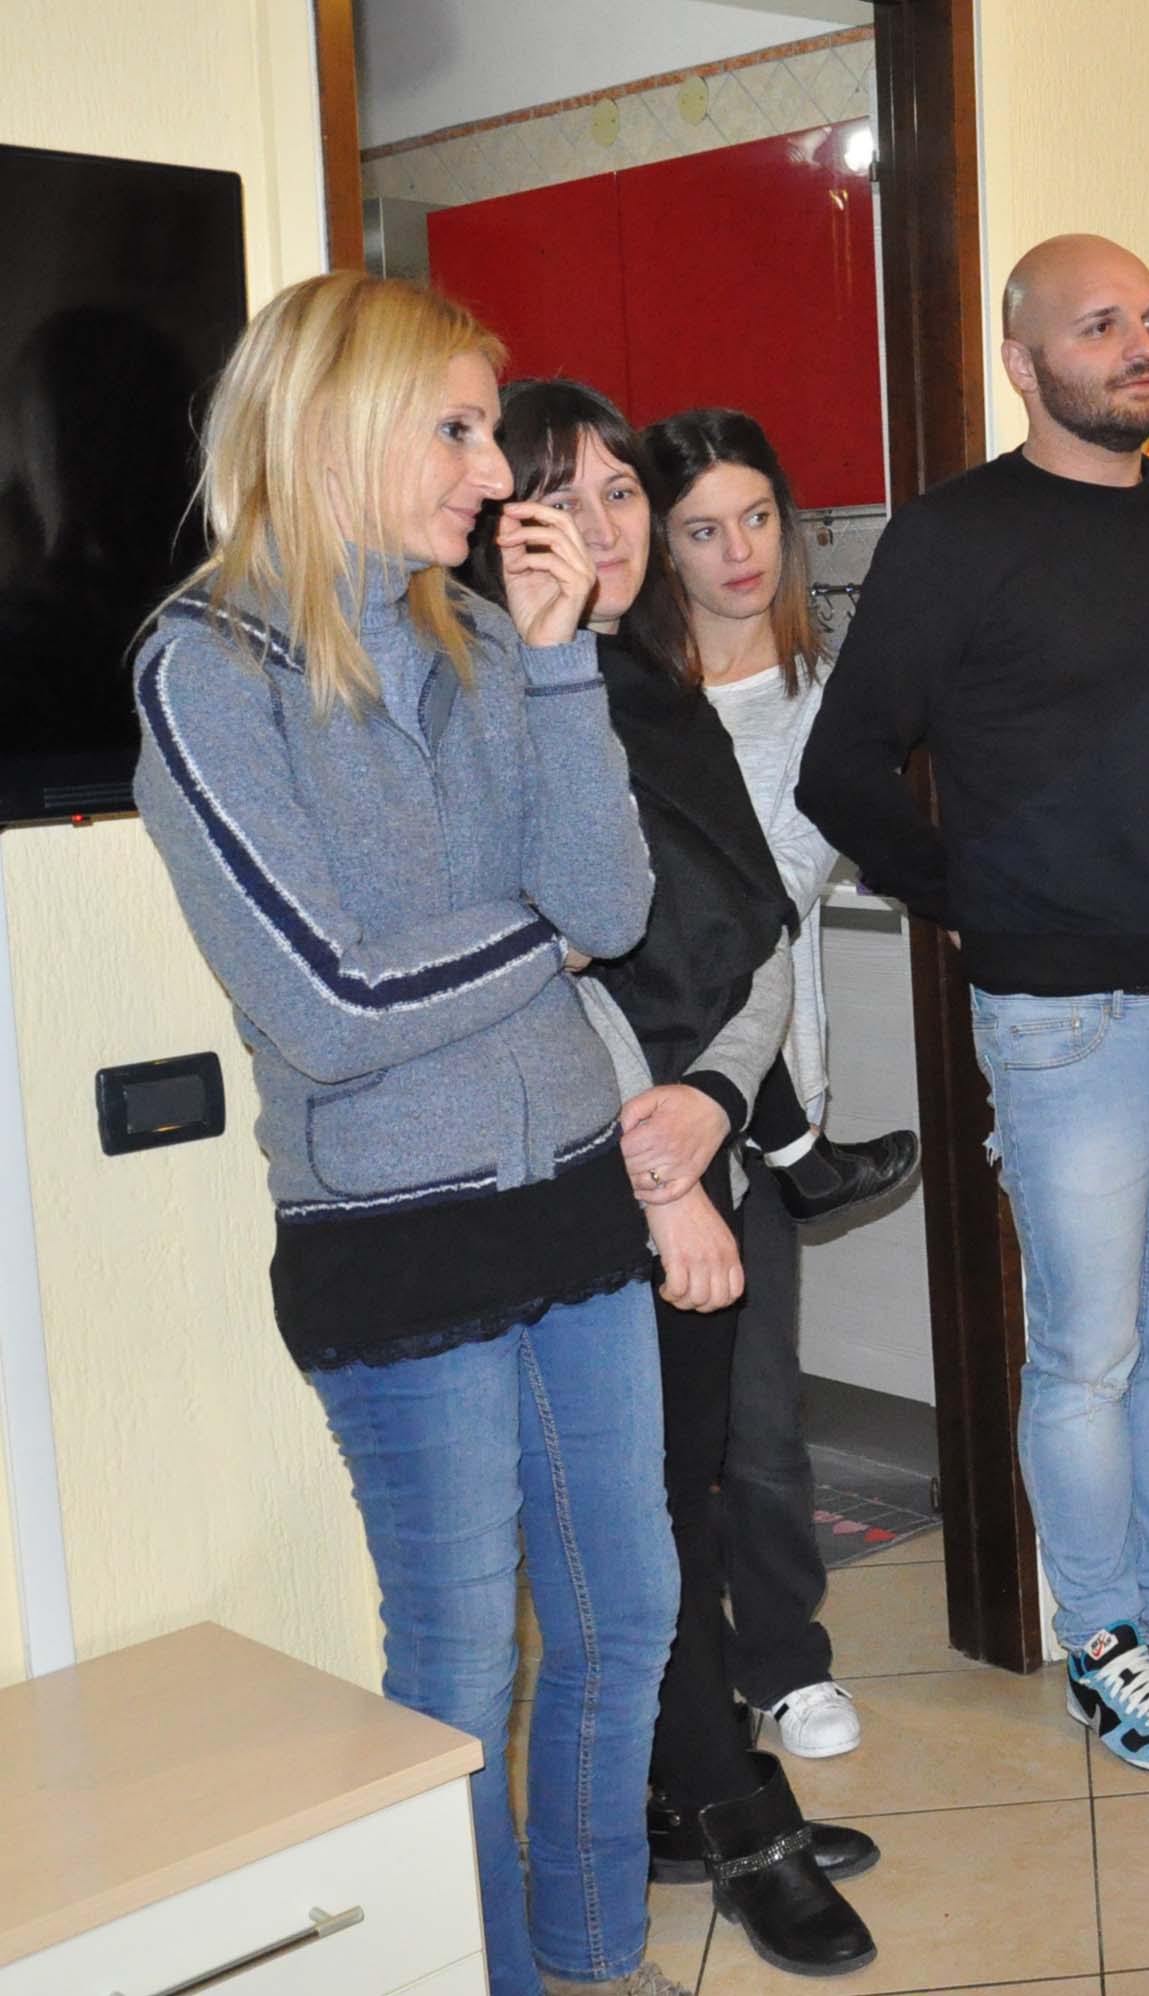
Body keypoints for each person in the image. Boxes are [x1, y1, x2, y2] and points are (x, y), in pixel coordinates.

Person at [130, 273, 683, 1996]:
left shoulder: (490, 644)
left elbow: (614, 902)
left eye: (484, 430)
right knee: (456, 1677)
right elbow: (325, 1005)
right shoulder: (206, 672)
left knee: (622, 1623)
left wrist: (565, 660)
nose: (493, 473)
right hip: (395, 1236)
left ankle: (590, 1960)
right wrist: (537, 942)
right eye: (453, 430)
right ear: (329, 432)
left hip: (572, 1197)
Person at [797, 232, 1149, 1772]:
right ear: (1022, 361)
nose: (1138, 346)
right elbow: (842, 769)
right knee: (1089, 1352)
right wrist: (971, 896)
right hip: (1069, 1020)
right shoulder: (955, 537)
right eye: (1098, 327)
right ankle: (1100, 1636)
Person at [468, 380, 877, 1979]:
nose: (606, 528)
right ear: (499, 529)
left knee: (682, 1491)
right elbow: (541, 970)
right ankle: (731, 1806)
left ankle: (677, 1787)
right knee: (631, 1520)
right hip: (587, 1169)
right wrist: (663, 1163)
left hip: (699, 1133)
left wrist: (715, 1097)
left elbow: (755, 937)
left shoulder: (652, 689)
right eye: (558, 499)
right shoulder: (493, 700)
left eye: (620, 491)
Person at [647, 405, 917, 1765]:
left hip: (757, 1088)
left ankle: (786, 1663)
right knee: (649, 1433)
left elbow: (789, 877)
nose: (738, 552)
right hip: (623, 1094)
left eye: (758, 519)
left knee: (759, 1418)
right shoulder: (622, 690)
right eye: (703, 529)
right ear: (659, 547)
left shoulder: (822, 693)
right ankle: (671, 1684)